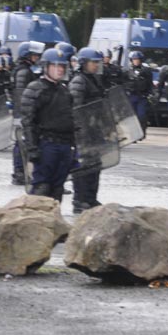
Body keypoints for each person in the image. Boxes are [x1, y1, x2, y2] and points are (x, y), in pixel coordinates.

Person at [20, 47, 76, 202]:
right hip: (46, 144)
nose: (59, 70)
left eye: (62, 67)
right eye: (55, 66)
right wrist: (32, 149)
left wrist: (74, 146)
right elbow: (28, 121)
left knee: (57, 189)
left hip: (64, 145)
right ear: (46, 67)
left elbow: (70, 119)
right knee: (41, 187)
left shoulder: (64, 91)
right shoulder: (35, 89)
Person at [69, 48, 106, 214]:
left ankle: (90, 198)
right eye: (93, 62)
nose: (96, 65)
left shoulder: (93, 80)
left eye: (98, 62)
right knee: (83, 167)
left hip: (94, 130)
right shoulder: (79, 81)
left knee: (94, 166)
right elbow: (75, 108)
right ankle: (80, 199)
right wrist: (80, 131)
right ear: (84, 63)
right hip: (84, 132)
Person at [11, 40, 45, 185]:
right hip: (23, 111)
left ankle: (21, 171)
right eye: (34, 56)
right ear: (27, 55)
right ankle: (19, 172)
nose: (36, 58)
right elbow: (22, 93)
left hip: (21, 111)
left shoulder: (23, 70)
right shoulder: (24, 72)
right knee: (22, 141)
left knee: (22, 141)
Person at [124, 51, 153, 139]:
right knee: (132, 117)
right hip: (131, 96)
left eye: (137, 59)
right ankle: (133, 135)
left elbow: (149, 84)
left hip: (142, 96)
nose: (136, 61)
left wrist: (150, 94)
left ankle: (141, 132)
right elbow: (123, 83)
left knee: (142, 115)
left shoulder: (146, 71)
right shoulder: (127, 71)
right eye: (134, 59)